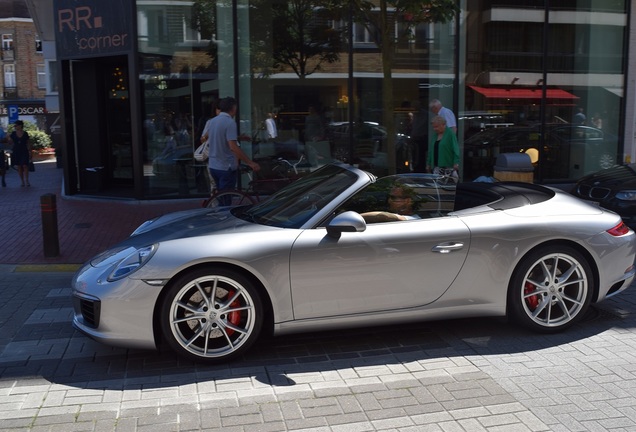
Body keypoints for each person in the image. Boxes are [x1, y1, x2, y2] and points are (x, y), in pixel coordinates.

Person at [207, 97, 260, 204]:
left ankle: (221, 217)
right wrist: (250, 163)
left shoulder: (212, 122)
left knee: (221, 197)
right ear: (233, 108)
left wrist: (238, 137)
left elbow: (219, 137)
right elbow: (233, 147)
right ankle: (226, 220)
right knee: (226, 201)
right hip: (226, 166)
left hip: (213, 166)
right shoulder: (229, 122)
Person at [8, 120, 32, 187]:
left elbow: (28, 143)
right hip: (16, 151)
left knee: (25, 165)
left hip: (24, 151)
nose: (15, 127)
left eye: (16, 125)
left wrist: (30, 151)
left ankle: (27, 180)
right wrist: (9, 139)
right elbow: (10, 143)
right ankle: (22, 181)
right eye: (15, 126)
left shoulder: (25, 133)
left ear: (20, 126)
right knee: (19, 166)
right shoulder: (13, 134)